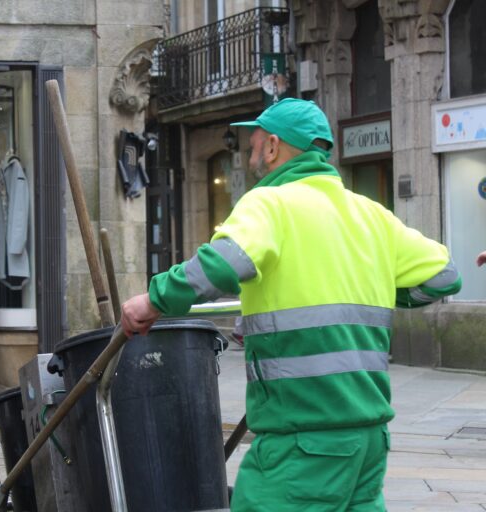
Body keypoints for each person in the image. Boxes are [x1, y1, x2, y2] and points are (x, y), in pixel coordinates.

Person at [120, 98, 462, 511]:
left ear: (273, 146)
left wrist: (153, 301)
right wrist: (370, 286)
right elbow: (445, 276)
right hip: (368, 438)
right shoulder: (372, 215)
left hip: (304, 439)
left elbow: (226, 261)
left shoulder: (270, 204)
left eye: (253, 145)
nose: (249, 154)